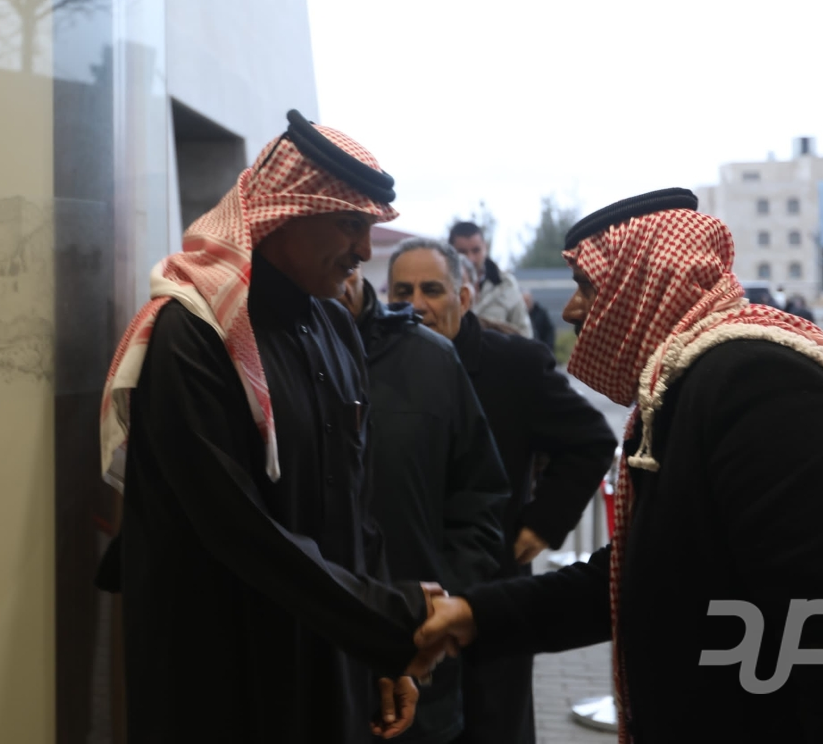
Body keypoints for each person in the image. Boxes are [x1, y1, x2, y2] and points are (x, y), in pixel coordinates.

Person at [415, 188, 823, 743]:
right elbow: (645, 572)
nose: (571, 309)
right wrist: (473, 614)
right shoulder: (695, 382)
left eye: (587, 286)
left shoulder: (754, 384)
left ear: (645, 286)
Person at [97, 111, 440, 743]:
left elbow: (358, 508)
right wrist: (386, 621)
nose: (365, 251)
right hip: (226, 671)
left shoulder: (335, 328)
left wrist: (381, 652)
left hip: (327, 654)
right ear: (286, 213)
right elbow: (237, 528)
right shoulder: (193, 335)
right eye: (351, 224)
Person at [387, 238, 616, 744]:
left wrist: (542, 522)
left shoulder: (514, 364)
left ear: (464, 297)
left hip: (492, 591)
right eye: (403, 291)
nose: (417, 304)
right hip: (409, 592)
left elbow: (591, 441)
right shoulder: (377, 365)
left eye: (432, 290)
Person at [341, 267, 511, 744]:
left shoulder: (432, 358)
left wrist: (442, 602)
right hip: (319, 655)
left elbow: (480, 495)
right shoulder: (274, 354)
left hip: (420, 645)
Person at [447, 222, 532, 338]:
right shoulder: (440, 287)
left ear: (485, 248)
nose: (471, 258)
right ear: (450, 251)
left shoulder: (506, 285)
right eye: (462, 252)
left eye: (476, 250)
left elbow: (525, 335)